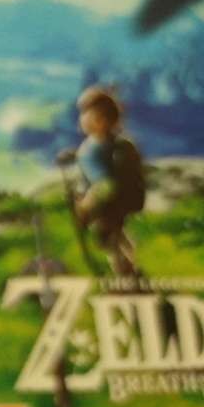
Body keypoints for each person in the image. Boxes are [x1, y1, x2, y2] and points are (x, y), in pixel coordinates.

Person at [74, 86, 143, 277]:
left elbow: (104, 184)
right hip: (121, 202)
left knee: (108, 239)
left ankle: (124, 273)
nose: (82, 119)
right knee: (118, 235)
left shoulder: (91, 150)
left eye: (86, 114)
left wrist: (85, 206)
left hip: (103, 204)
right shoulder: (119, 144)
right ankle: (131, 267)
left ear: (100, 120)